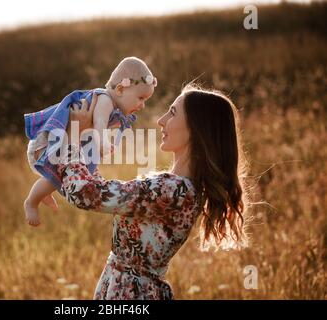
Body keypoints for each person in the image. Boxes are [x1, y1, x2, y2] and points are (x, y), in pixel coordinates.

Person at [55, 84, 250, 299]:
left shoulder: (172, 190)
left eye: (173, 112)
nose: (161, 120)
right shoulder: (181, 188)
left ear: (196, 128)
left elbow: (85, 194)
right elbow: (100, 192)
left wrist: (73, 136)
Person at [24, 57, 157, 226]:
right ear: (120, 89)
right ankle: (31, 202)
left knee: (61, 175)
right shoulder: (105, 100)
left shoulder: (110, 103)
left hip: (58, 143)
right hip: (46, 144)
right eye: (141, 98)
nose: (142, 105)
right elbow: (100, 123)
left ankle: (42, 193)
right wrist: (102, 143)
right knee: (61, 174)